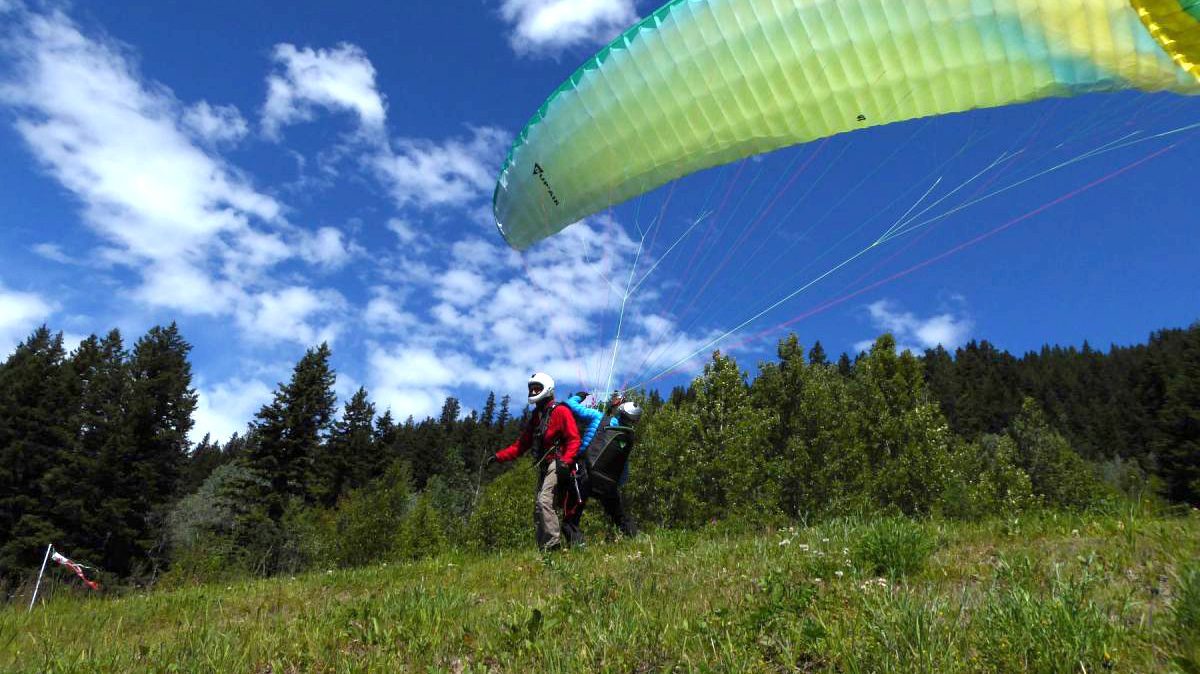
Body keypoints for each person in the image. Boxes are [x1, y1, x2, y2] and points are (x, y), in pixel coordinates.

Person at [486, 373, 582, 551]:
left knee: (544, 501)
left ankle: (553, 545)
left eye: (537, 388)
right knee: (539, 509)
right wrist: (498, 456)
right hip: (546, 466)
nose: (533, 391)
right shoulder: (537, 417)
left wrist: (566, 462)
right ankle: (544, 551)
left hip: (559, 462)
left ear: (547, 389)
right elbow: (520, 446)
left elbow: (574, 439)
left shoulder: (561, 411)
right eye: (531, 388)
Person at [564, 391, 642, 538]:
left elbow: (571, 406)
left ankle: (577, 548)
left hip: (584, 473)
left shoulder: (598, 417)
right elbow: (623, 475)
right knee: (620, 516)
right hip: (608, 484)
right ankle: (635, 540)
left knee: (571, 519)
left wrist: (579, 397)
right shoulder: (627, 438)